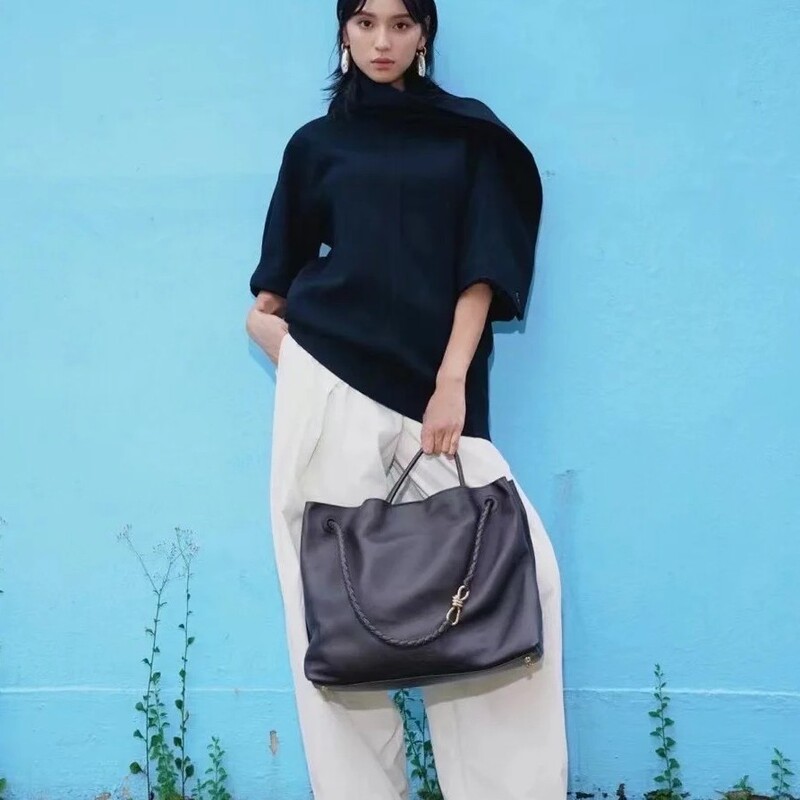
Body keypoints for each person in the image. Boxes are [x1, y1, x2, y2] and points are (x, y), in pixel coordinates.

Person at [245, 0, 567, 797]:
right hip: (329, 391)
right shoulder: (315, 145)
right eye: (364, 22)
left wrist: (452, 379)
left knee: (499, 589)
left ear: (425, 33)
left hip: (439, 402)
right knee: (331, 608)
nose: (381, 40)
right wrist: (287, 349)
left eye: (399, 22)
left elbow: (483, 267)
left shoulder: (467, 136)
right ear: (343, 32)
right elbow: (272, 286)